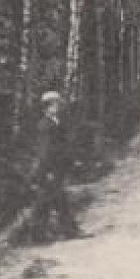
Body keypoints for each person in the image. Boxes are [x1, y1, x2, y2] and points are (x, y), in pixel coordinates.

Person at [28, 91, 82, 241]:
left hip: (55, 168)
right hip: (49, 169)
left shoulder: (55, 122)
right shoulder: (45, 125)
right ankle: (44, 234)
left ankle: (44, 234)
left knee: (52, 200)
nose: (57, 106)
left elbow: (61, 147)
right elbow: (45, 151)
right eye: (54, 104)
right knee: (48, 201)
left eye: (57, 103)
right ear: (46, 107)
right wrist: (48, 171)